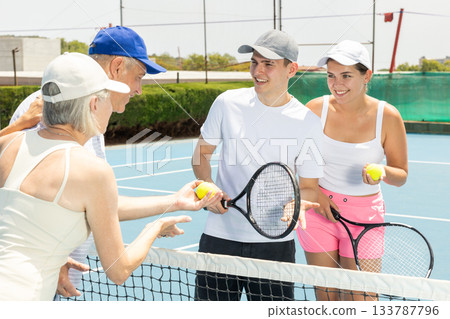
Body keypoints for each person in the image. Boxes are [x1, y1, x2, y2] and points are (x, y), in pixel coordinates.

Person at [4, 26, 222, 298]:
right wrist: (155, 227)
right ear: (94, 102)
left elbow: (96, 203)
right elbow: (118, 269)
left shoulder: (14, 140)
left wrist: (174, 201)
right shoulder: (43, 118)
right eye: (139, 78)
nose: (139, 90)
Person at [191, 29, 323, 301]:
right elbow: (200, 155)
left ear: (291, 69)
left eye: (269, 64)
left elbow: (309, 186)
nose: (257, 70)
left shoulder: (308, 122)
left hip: (275, 249)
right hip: (219, 240)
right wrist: (208, 189)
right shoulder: (227, 103)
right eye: (254, 61)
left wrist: (295, 205)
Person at [296, 40, 408, 301]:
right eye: (331, 76)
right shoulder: (314, 109)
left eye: (346, 75)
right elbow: (296, 160)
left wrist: (383, 171)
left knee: (363, 301)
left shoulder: (388, 116)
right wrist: (312, 192)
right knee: (327, 299)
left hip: (365, 218)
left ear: (366, 75)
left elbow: (401, 174)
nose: (337, 84)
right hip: (318, 211)